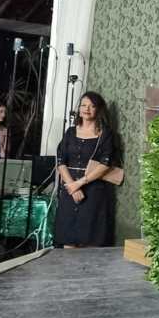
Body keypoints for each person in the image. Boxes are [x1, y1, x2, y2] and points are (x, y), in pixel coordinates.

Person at [54, 92, 115, 248]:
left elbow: (105, 164)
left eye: (92, 106)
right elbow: (61, 161)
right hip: (69, 191)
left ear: (98, 110)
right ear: (79, 109)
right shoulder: (70, 132)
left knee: (89, 242)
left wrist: (80, 183)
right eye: (83, 105)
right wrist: (72, 186)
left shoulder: (105, 134)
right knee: (68, 241)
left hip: (93, 191)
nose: (87, 109)